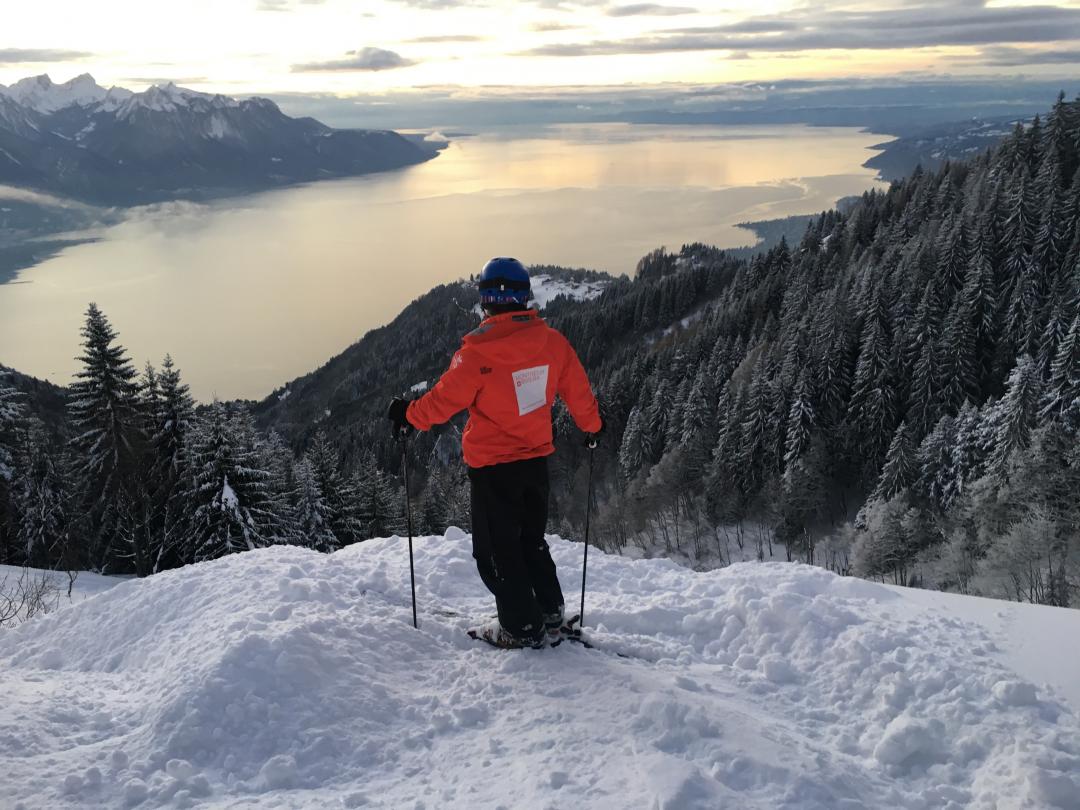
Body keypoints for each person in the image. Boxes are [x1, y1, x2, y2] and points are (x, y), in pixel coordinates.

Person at [387, 257, 602, 649]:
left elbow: (439, 403)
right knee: (531, 540)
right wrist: (592, 430)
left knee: (497, 552)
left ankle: (521, 627)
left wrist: (406, 415)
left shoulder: (477, 355)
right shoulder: (553, 344)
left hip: (492, 469)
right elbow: (579, 393)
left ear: (486, 302)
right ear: (525, 299)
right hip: (535, 461)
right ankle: (549, 611)